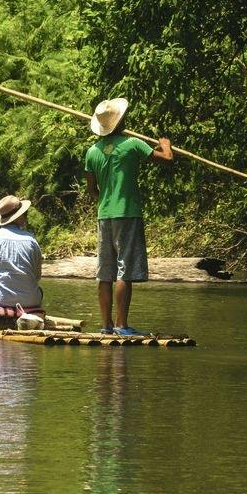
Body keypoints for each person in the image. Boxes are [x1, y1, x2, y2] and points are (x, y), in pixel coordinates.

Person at [84, 97, 172, 336]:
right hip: (128, 213)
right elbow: (167, 159)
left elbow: (92, 191)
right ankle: (122, 325)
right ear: (121, 121)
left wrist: (105, 199)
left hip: (104, 216)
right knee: (124, 270)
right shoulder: (133, 144)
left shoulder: (92, 152)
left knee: (105, 272)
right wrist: (165, 144)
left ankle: (106, 326)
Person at [0, 195, 45, 327]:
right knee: (40, 291)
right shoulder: (32, 240)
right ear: (19, 216)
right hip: (30, 300)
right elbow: (36, 277)